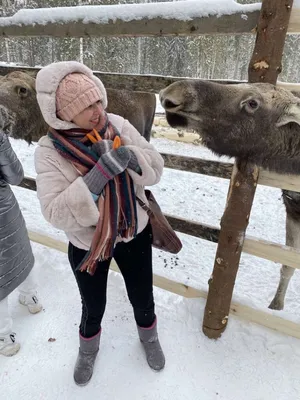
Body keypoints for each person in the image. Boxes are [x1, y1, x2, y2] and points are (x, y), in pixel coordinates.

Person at [34, 61, 165, 386]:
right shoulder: (49, 151)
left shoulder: (118, 124)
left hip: (133, 229)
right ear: (62, 113)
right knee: (93, 305)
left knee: (142, 295)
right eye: (84, 106)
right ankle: (88, 349)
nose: (97, 111)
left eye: (97, 101)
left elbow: (157, 166)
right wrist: (97, 177)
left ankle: (148, 337)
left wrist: (132, 157)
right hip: (87, 243)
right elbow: (53, 212)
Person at [0, 131, 42, 357]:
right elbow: (16, 176)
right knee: (19, 253)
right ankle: (31, 297)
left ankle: (4, 337)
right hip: (5, 210)